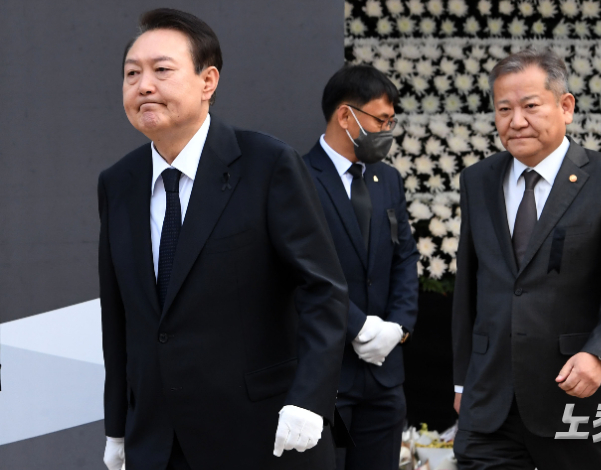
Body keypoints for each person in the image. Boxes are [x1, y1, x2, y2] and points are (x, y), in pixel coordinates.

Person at [99, 8, 348, 470]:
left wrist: (309, 400)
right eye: (132, 74)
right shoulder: (118, 182)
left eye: (161, 70)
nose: (143, 86)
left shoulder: (267, 164)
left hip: (262, 435)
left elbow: (324, 289)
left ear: (207, 81)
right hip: (158, 440)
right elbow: (119, 318)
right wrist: (118, 426)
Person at [451, 49, 601, 469]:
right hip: (489, 399)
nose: (516, 121)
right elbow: (470, 285)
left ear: (566, 107)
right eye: (503, 109)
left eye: (529, 106)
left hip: (576, 395)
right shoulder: (478, 179)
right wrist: (462, 377)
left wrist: (599, 353)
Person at [302, 64, 419, 470]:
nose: (386, 130)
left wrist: (398, 326)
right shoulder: (297, 177)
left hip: (385, 370)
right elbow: (302, 271)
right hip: (326, 369)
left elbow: (404, 256)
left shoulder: (387, 179)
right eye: (380, 120)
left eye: (391, 120)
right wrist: (359, 326)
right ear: (346, 115)